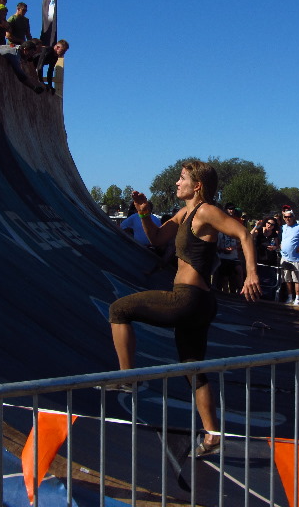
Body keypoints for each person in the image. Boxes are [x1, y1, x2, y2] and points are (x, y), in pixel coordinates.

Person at [108, 161, 260, 458]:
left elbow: (245, 235)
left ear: (197, 185)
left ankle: (127, 379)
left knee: (119, 309)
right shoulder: (184, 213)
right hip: (200, 304)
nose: (177, 183)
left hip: (187, 298)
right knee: (193, 368)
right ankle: (213, 434)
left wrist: (252, 273)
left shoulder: (205, 211)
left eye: (181, 179)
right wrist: (143, 212)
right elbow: (156, 238)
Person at [279, 209, 299, 305]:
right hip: (284, 257)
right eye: (286, 217)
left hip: (296, 258)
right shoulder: (283, 227)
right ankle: (290, 297)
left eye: (289, 217)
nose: (288, 219)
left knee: (297, 279)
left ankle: (298, 298)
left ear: (293, 217)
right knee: (287, 279)